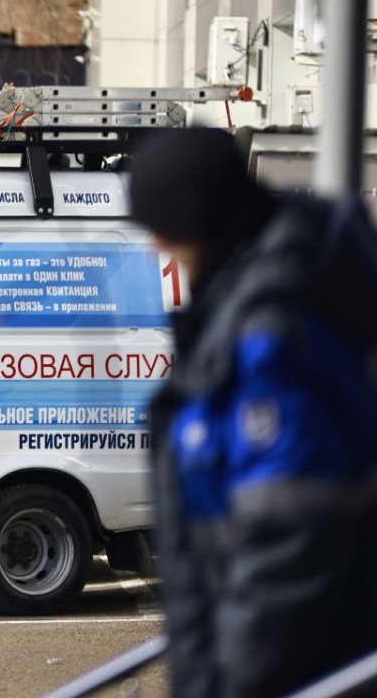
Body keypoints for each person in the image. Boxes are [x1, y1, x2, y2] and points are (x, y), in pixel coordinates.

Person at [129, 128, 377, 698]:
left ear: (199, 221)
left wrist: (234, 681)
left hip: (293, 668)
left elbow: (287, 537)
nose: (154, 247)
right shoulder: (256, 300)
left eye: (163, 230)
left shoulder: (270, 336)